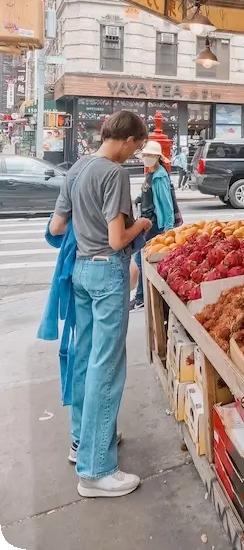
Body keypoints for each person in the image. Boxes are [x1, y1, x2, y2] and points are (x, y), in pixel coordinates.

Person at [47, 111, 152, 498]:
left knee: (85, 357)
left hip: (80, 273)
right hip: (107, 273)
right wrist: (141, 225)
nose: (134, 153)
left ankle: (83, 441)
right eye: (136, 146)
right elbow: (117, 239)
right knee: (106, 368)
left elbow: (57, 227)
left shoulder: (77, 169)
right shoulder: (114, 173)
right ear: (127, 139)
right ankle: (95, 471)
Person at [130, 140, 179, 311]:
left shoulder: (159, 176)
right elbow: (145, 191)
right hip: (146, 224)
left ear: (157, 157)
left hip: (156, 225)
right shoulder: (151, 172)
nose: (146, 157)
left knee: (141, 259)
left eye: (149, 155)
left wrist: (169, 230)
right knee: (141, 259)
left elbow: (166, 205)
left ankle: (141, 297)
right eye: (145, 155)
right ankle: (141, 296)